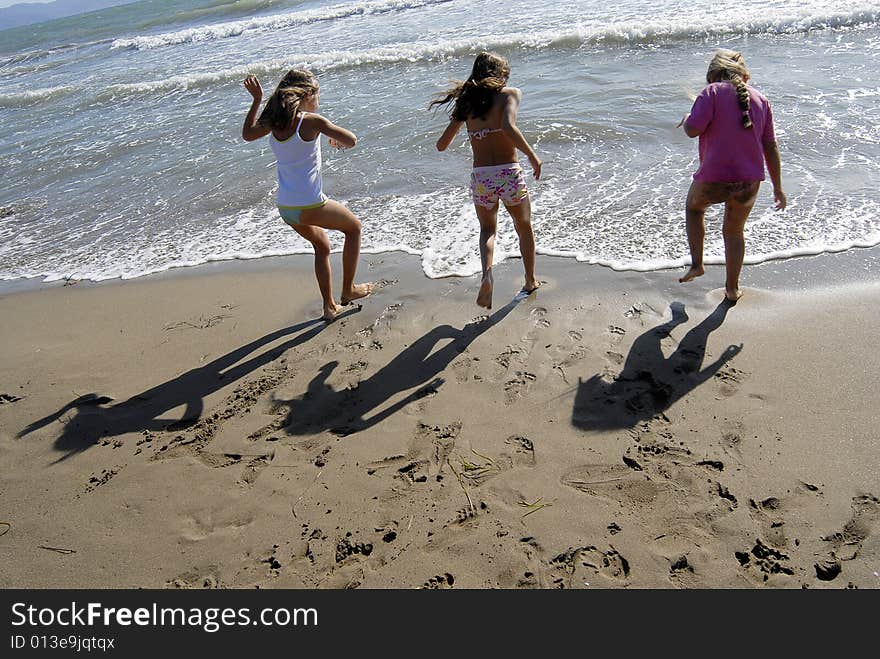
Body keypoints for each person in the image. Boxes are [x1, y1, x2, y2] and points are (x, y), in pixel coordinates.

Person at [242, 69, 372, 321]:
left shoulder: (274, 123)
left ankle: (329, 307)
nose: (318, 101)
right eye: (317, 95)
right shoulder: (312, 121)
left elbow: (248, 135)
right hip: (310, 204)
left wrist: (256, 100)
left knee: (322, 246)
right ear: (308, 95)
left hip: (286, 208)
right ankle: (349, 290)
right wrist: (332, 136)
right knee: (354, 228)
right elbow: (352, 140)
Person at [431, 52, 542, 309]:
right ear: (501, 74)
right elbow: (508, 127)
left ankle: (487, 274)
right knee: (523, 226)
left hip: (482, 177)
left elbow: (441, 145)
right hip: (508, 173)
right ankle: (529, 280)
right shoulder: (509, 94)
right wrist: (533, 157)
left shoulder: (467, 105)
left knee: (488, 230)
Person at [678, 49, 787, 302]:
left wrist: (686, 119)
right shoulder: (761, 99)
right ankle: (732, 288)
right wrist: (778, 187)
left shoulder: (711, 93)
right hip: (749, 182)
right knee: (734, 231)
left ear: (713, 74)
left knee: (694, 209)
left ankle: (697, 264)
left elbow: (693, 130)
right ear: (744, 75)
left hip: (714, 178)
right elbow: (771, 147)